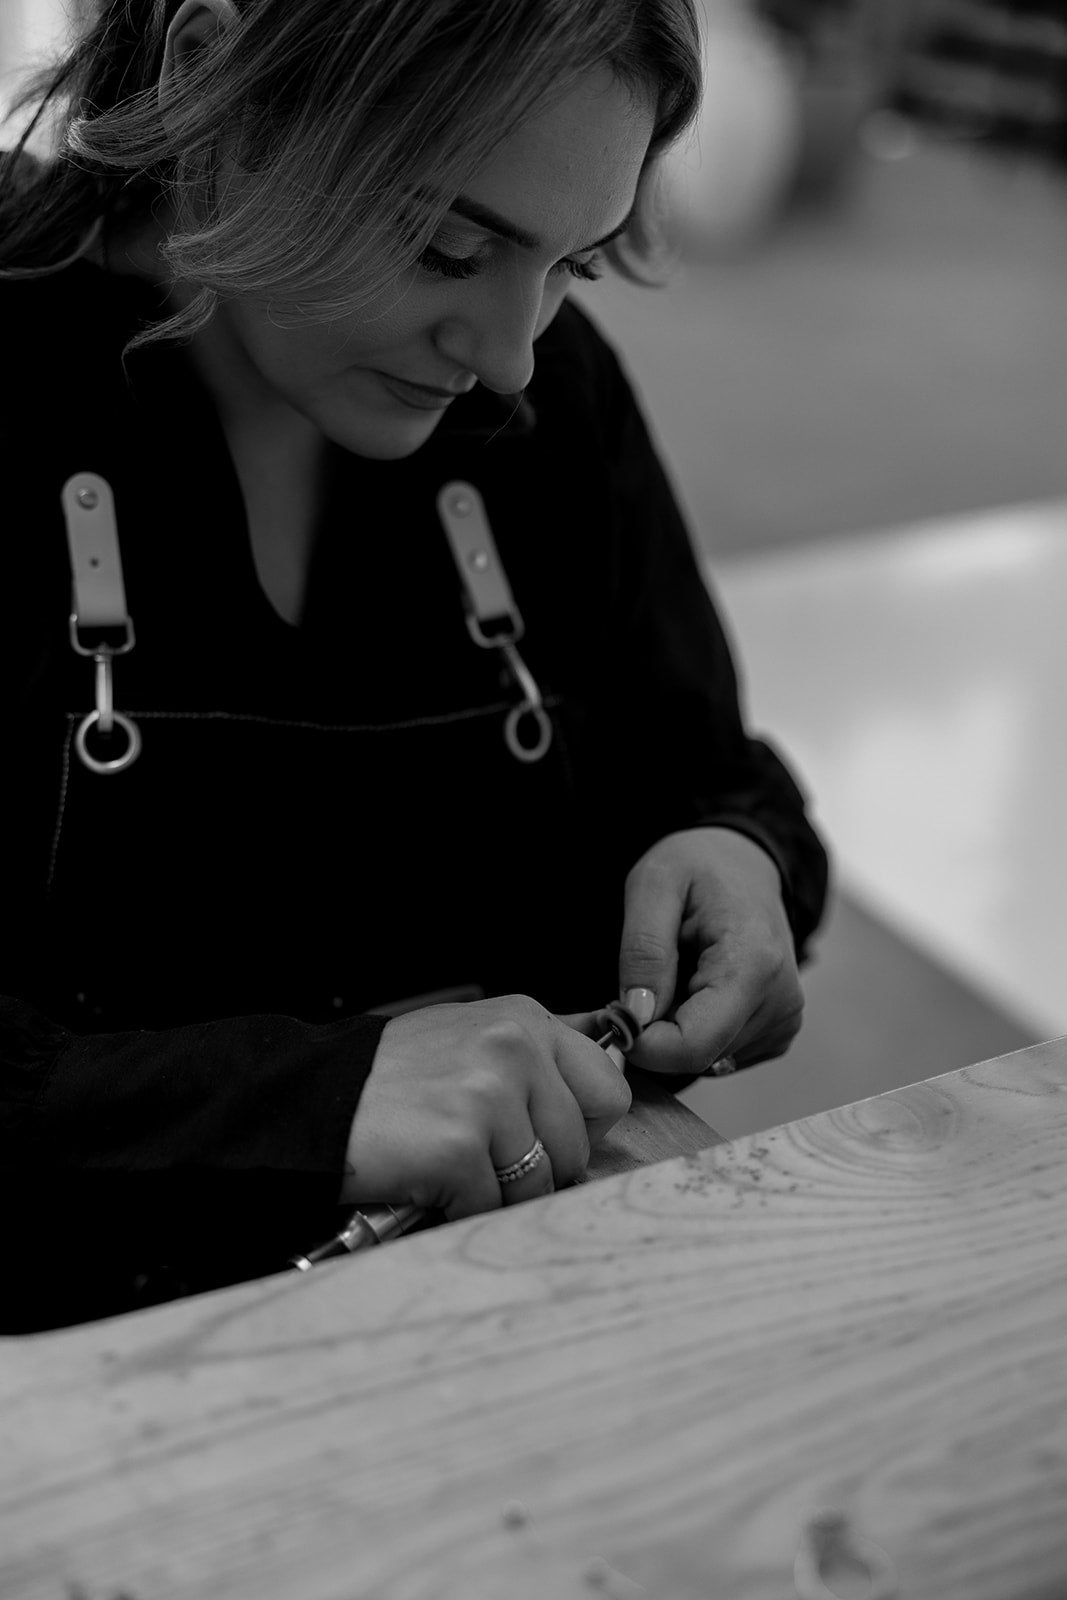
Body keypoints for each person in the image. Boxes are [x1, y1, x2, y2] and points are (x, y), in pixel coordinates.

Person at [1, 0, 829, 1331]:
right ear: (222, 85)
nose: (508, 357)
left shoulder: (553, 402)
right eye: (450, 246)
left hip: (509, 1326)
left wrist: (735, 856)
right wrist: (310, 1106)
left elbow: (708, 772)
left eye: (576, 261)